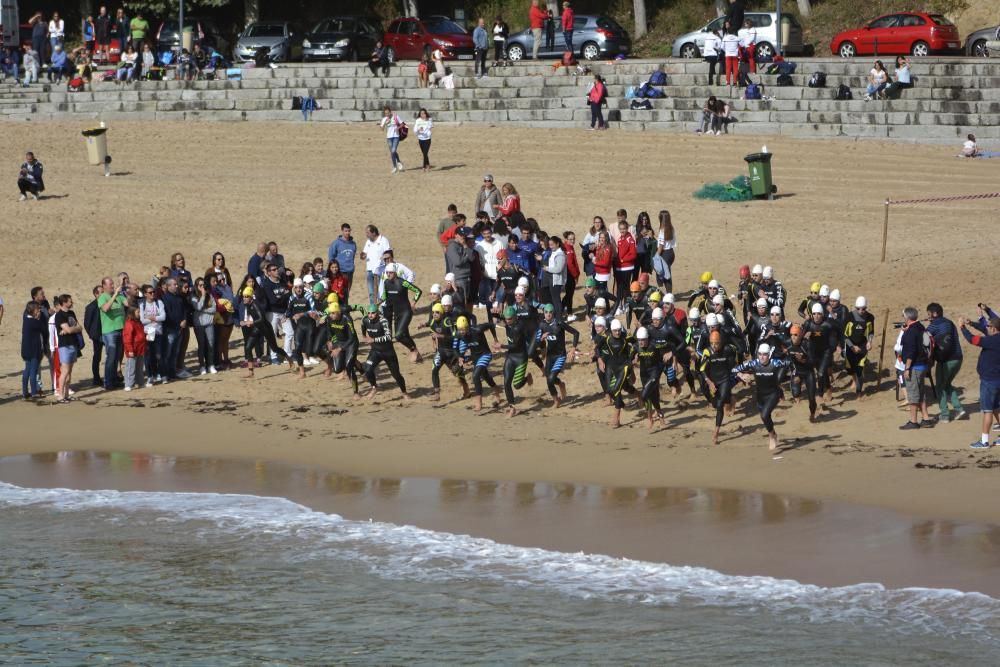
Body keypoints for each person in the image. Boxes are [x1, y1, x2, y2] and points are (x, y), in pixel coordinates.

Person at [734, 343, 790, 451]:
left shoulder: (775, 363)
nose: (762, 357)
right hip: (760, 395)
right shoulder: (754, 363)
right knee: (765, 417)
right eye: (759, 354)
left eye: (764, 354)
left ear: (769, 355)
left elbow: (790, 364)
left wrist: (796, 373)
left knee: (764, 415)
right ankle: (773, 433)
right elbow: (734, 370)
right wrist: (741, 375)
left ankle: (771, 437)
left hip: (773, 394)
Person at [958, 315, 1000, 449]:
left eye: (988, 326)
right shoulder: (994, 337)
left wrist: (962, 327)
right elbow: (983, 329)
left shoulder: (991, 341)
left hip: (989, 381)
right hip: (997, 379)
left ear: (994, 329)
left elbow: (972, 339)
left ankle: (984, 441)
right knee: (997, 408)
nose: (986, 327)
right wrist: (972, 324)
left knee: (988, 410)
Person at [360, 304, 409, 400]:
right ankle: (374, 387)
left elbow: (388, 337)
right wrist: (364, 336)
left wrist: (373, 340)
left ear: (377, 313)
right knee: (367, 368)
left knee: (396, 375)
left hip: (388, 352)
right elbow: (363, 326)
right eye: (369, 313)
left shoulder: (383, 321)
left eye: (373, 313)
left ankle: (404, 392)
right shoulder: (365, 320)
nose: (370, 315)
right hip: (376, 351)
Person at [926, 302, 965, 422]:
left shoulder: (934, 325)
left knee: (940, 387)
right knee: (946, 384)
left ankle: (945, 414)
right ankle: (958, 408)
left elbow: (923, 337)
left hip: (946, 360)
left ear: (935, 313)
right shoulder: (949, 322)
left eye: (929, 314)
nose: (928, 317)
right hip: (958, 358)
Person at [899, 306, 935, 429]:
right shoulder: (920, 327)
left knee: (913, 395)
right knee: (921, 393)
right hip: (923, 365)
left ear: (907, 317)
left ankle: (913, 421)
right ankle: (926, 419)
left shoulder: (911, 332)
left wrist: (907, 368)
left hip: (914, 366)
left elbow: (910, 352)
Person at [97, 275, 127, 389]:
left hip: (120, 329)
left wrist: (124, 289)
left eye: (113, 284)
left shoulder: (119, 296)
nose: (113, 286)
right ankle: (108, 382)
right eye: (110, 284)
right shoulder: (102, 297)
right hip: (109, 332)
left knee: (117, 357)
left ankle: (114, 380)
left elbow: (128, 303)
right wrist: (115, 295)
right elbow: (105, 308)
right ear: (104, 286)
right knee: (111, 357)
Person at [843, 296, 875, 398]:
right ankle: (854, 379)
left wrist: (869, 342)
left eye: (863, 309)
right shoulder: (849, 317)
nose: (861, 311)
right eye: (858, 309)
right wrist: (852, 346)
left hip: (862, 346)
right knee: (850, 368)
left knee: (859, 369)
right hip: (850, 345)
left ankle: (859, 391)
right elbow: (844, 335)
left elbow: (871, 332)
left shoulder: (870, 317)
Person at [53, 294, 82, 403]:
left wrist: (70, 329)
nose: (72, 302)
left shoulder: (71, 313)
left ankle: (66, 395)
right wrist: (71, 329)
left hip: (73, 344)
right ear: (64, 303)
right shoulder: (59, 315)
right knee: (64, 371)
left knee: (69, 372)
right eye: (70, 301)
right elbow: (70, 330)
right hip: (64, 345)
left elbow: (80, 327)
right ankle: (60, 395)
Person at [189, 277, 217, 375]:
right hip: (199, 324)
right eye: (200, 285)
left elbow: (214, 309)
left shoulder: (210, 295)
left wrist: (204, 310)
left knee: (211, 344)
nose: (202, 287)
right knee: (202, 345)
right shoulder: (193, 296)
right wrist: (203, 295)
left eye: (203, 285)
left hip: (209, 323)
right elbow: (198, 306)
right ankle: (202, 366)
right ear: (196, 286)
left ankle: (211, 365)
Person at [21, 302, 46, 399]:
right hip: (34, 350)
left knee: (27, 370)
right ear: (34, 311)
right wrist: (39, 318)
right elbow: (43, 329)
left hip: (26, 349)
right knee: (33, 371)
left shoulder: (26, 319)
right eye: (38, 309)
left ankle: (25, 392)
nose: (39, 311)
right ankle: (34, 392)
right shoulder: (35, 322)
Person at [361, 225, 391, 304]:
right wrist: (362, 255)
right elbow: (363, 253)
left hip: (380, 270)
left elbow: (388, 254)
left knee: (381, 292)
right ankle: (373, 310)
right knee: (371, 293)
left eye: (368, 233)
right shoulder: (368, 241)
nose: (366, 235)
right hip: (370, 270)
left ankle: (382, 310)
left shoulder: (383, 240)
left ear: (374, 232)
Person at [328, 224, 357, 303]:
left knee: (346, 292)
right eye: (346, 231)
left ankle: (345, 309)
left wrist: (352, 267)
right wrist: (334, 270)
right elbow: (331, 257)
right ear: (342, 231)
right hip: (340, 272)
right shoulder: (336, 243)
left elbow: (352, 257)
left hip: (350, 272)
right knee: (339, 292)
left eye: (349, 231)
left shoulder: (353, 244)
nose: (347, 233)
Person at [122, 306, 147, 391]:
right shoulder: (129, 323)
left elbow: (140, 334)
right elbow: (127, 338)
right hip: (133, 349)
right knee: (130, 367)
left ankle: (140, 382)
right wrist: (130, 350)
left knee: (139, 367)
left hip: (140, 348)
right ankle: (128, 384)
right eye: (137, 312)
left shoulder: (138, 322)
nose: (139, 314)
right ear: (132, 313)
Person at [379, 105, 404, 174]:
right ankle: (396, 166)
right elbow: (381, 129)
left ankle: (397, 164)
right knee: (392, 152)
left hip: (396, 136)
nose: (387, 114)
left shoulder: (395, 117)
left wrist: (398, 128)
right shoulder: (384, 119)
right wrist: (385, 123)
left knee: (393, 151)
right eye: (385, 113)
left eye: (388, 113)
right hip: (389, 137)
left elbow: (402, 124)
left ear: (390, 112)